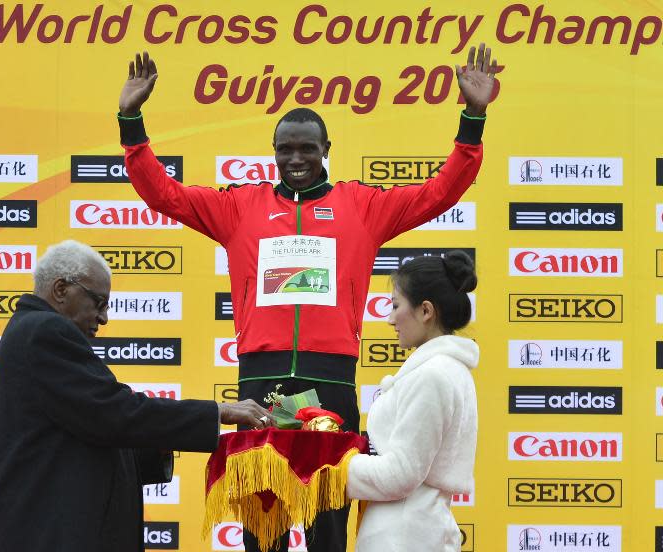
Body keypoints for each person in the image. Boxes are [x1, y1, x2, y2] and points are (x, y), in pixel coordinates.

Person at [117, 45, 496, 551]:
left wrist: (473, 118)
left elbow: (439, 192)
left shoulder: (360, 206)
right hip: (262, 380)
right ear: (273, 152)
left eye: (307, 149)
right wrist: (131, 120)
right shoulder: (240, 206)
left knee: (326, 529)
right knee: (262, 531)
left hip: (330, 382)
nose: (296, 160)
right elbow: (165, 194)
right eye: (286, 150)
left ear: (326, 150)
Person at [0, 240, 271, 552]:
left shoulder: (32, 330)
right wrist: (218, 412)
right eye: (98, 302)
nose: (103, 318)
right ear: (62, 289)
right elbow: (112, 413)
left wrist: (158, 438)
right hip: (51, 534)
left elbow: (94, 427)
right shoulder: (44, 330)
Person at [346, 250, 479, 551]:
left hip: (403, 536)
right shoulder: (449, 370)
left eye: (396, 306)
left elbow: (400, 474)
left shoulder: (432, 375)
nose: (391, 319)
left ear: (426, 311)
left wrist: (328, 467)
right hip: (415, 528)